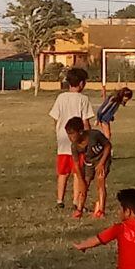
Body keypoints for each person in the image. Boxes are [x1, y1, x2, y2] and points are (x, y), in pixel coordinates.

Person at [49, 68, 95, 209]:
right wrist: (89, 138)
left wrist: (58, 132)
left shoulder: (61, 97)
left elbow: (55, 118)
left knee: (62, 172)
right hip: (78, 140)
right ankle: (76, 201)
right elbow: (85, 121)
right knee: (77, 172)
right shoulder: (83, 99)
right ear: (81, 83)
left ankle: (59, 200)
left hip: (63, 139)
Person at [66, 117, 111, 219]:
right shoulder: (74, 146)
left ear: (81, 132)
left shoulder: (94, 135)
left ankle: (101, 210)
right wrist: (81, 181)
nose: (70, 137)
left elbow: (108, 146)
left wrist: (102, 163)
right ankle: (79, 209)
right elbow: (76, 165)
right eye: (68, 134)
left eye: (72, 134)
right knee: (84, 185)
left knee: (100, 181)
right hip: (89, 162)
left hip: (102, 159)